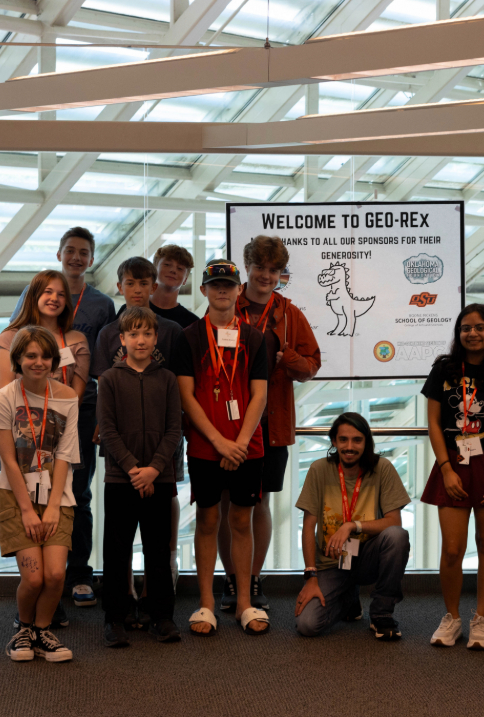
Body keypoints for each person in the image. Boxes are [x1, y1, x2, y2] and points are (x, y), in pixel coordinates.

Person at [11, 228, 115, 610]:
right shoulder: (28, 300)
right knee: (34, 490)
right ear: (59, 253)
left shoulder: (102, 304)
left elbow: (103, 367)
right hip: (30, 417)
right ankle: (36, 575)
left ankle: (78, 573)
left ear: (91, 259)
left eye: (83, 252)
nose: (76, 257)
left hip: (79, 412)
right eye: (70, 250)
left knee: (79, 494)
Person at [217, 235, 320, 613]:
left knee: (257, 503)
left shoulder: (290, 313)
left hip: (272, 426)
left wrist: (283, 356)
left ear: (281, 274)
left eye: (274, 269)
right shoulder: (225, 302)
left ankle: (252, 577)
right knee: (229, 503)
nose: (266, 275)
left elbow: (311, 366)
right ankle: (231, 579)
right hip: (225, 423)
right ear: (247, 267)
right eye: (259, 267)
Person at [170, 259, 270, 636]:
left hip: (248, 447)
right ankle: (207, 604)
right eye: (215, 285)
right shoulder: (189, 337)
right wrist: (218, 442)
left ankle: (244, 602)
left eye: (228, 285)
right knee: (208, 521)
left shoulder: (255, 338)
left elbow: (259, 395)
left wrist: (240, 443)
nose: (222, 291)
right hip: (205, 446)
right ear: (204, 292)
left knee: (242, 521)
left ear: (239, 290)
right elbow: (186, 395)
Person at [422, 303, 484, 651]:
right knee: (452, 548)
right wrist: (445, 468)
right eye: (466, 327)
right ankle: (451, 618)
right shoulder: (444, 369)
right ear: (458, 333)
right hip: (452, 462)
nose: (473, 333)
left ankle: (481, 620)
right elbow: (434, 422)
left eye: (481, 327)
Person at [92, 256, 185, 628]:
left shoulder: (167, 374)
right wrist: (133, 468)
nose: (141, 339)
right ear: (122, 338)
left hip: (159, 473)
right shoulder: (111, 369)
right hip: (121, 474)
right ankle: (117, 618)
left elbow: (173, 427)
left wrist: (155, 468)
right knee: (117, 551)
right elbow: (107, 425)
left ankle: (161, 616)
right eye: (134, 335)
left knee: (158, 550)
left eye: (147, 334)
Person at [0, 326, 80, 663]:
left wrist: (54, 505)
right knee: (34, 576)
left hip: (58, 494)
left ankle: (42, 631)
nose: (38, 362)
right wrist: (28, 510)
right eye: (30, 355)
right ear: (18, 359)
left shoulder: (68, 396)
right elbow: (10, 460)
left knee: (56, 575)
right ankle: (23, 628)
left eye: (44, 356)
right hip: (16, 496)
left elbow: (66, 454)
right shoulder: (4, 399)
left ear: (54, 360)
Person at [294, 413, 411, 640]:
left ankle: (381, 614)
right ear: (334, 441)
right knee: (307, 625)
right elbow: (308, 526)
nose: (349, 446)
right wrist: (311, 577)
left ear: (366, 442)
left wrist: (352, 525)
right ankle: (347, 598)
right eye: (343, 440)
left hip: (367, 557)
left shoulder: (382, 468)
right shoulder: (319, 470)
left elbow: (394, 522)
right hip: (331, 563)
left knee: (397, 536)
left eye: (357, 440)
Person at [151, 243, 200, 329]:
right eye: (167, 264)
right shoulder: (130, 310)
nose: (173, 270)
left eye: (180, 268)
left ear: (185, 279)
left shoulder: (192, 323)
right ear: (154, 270)